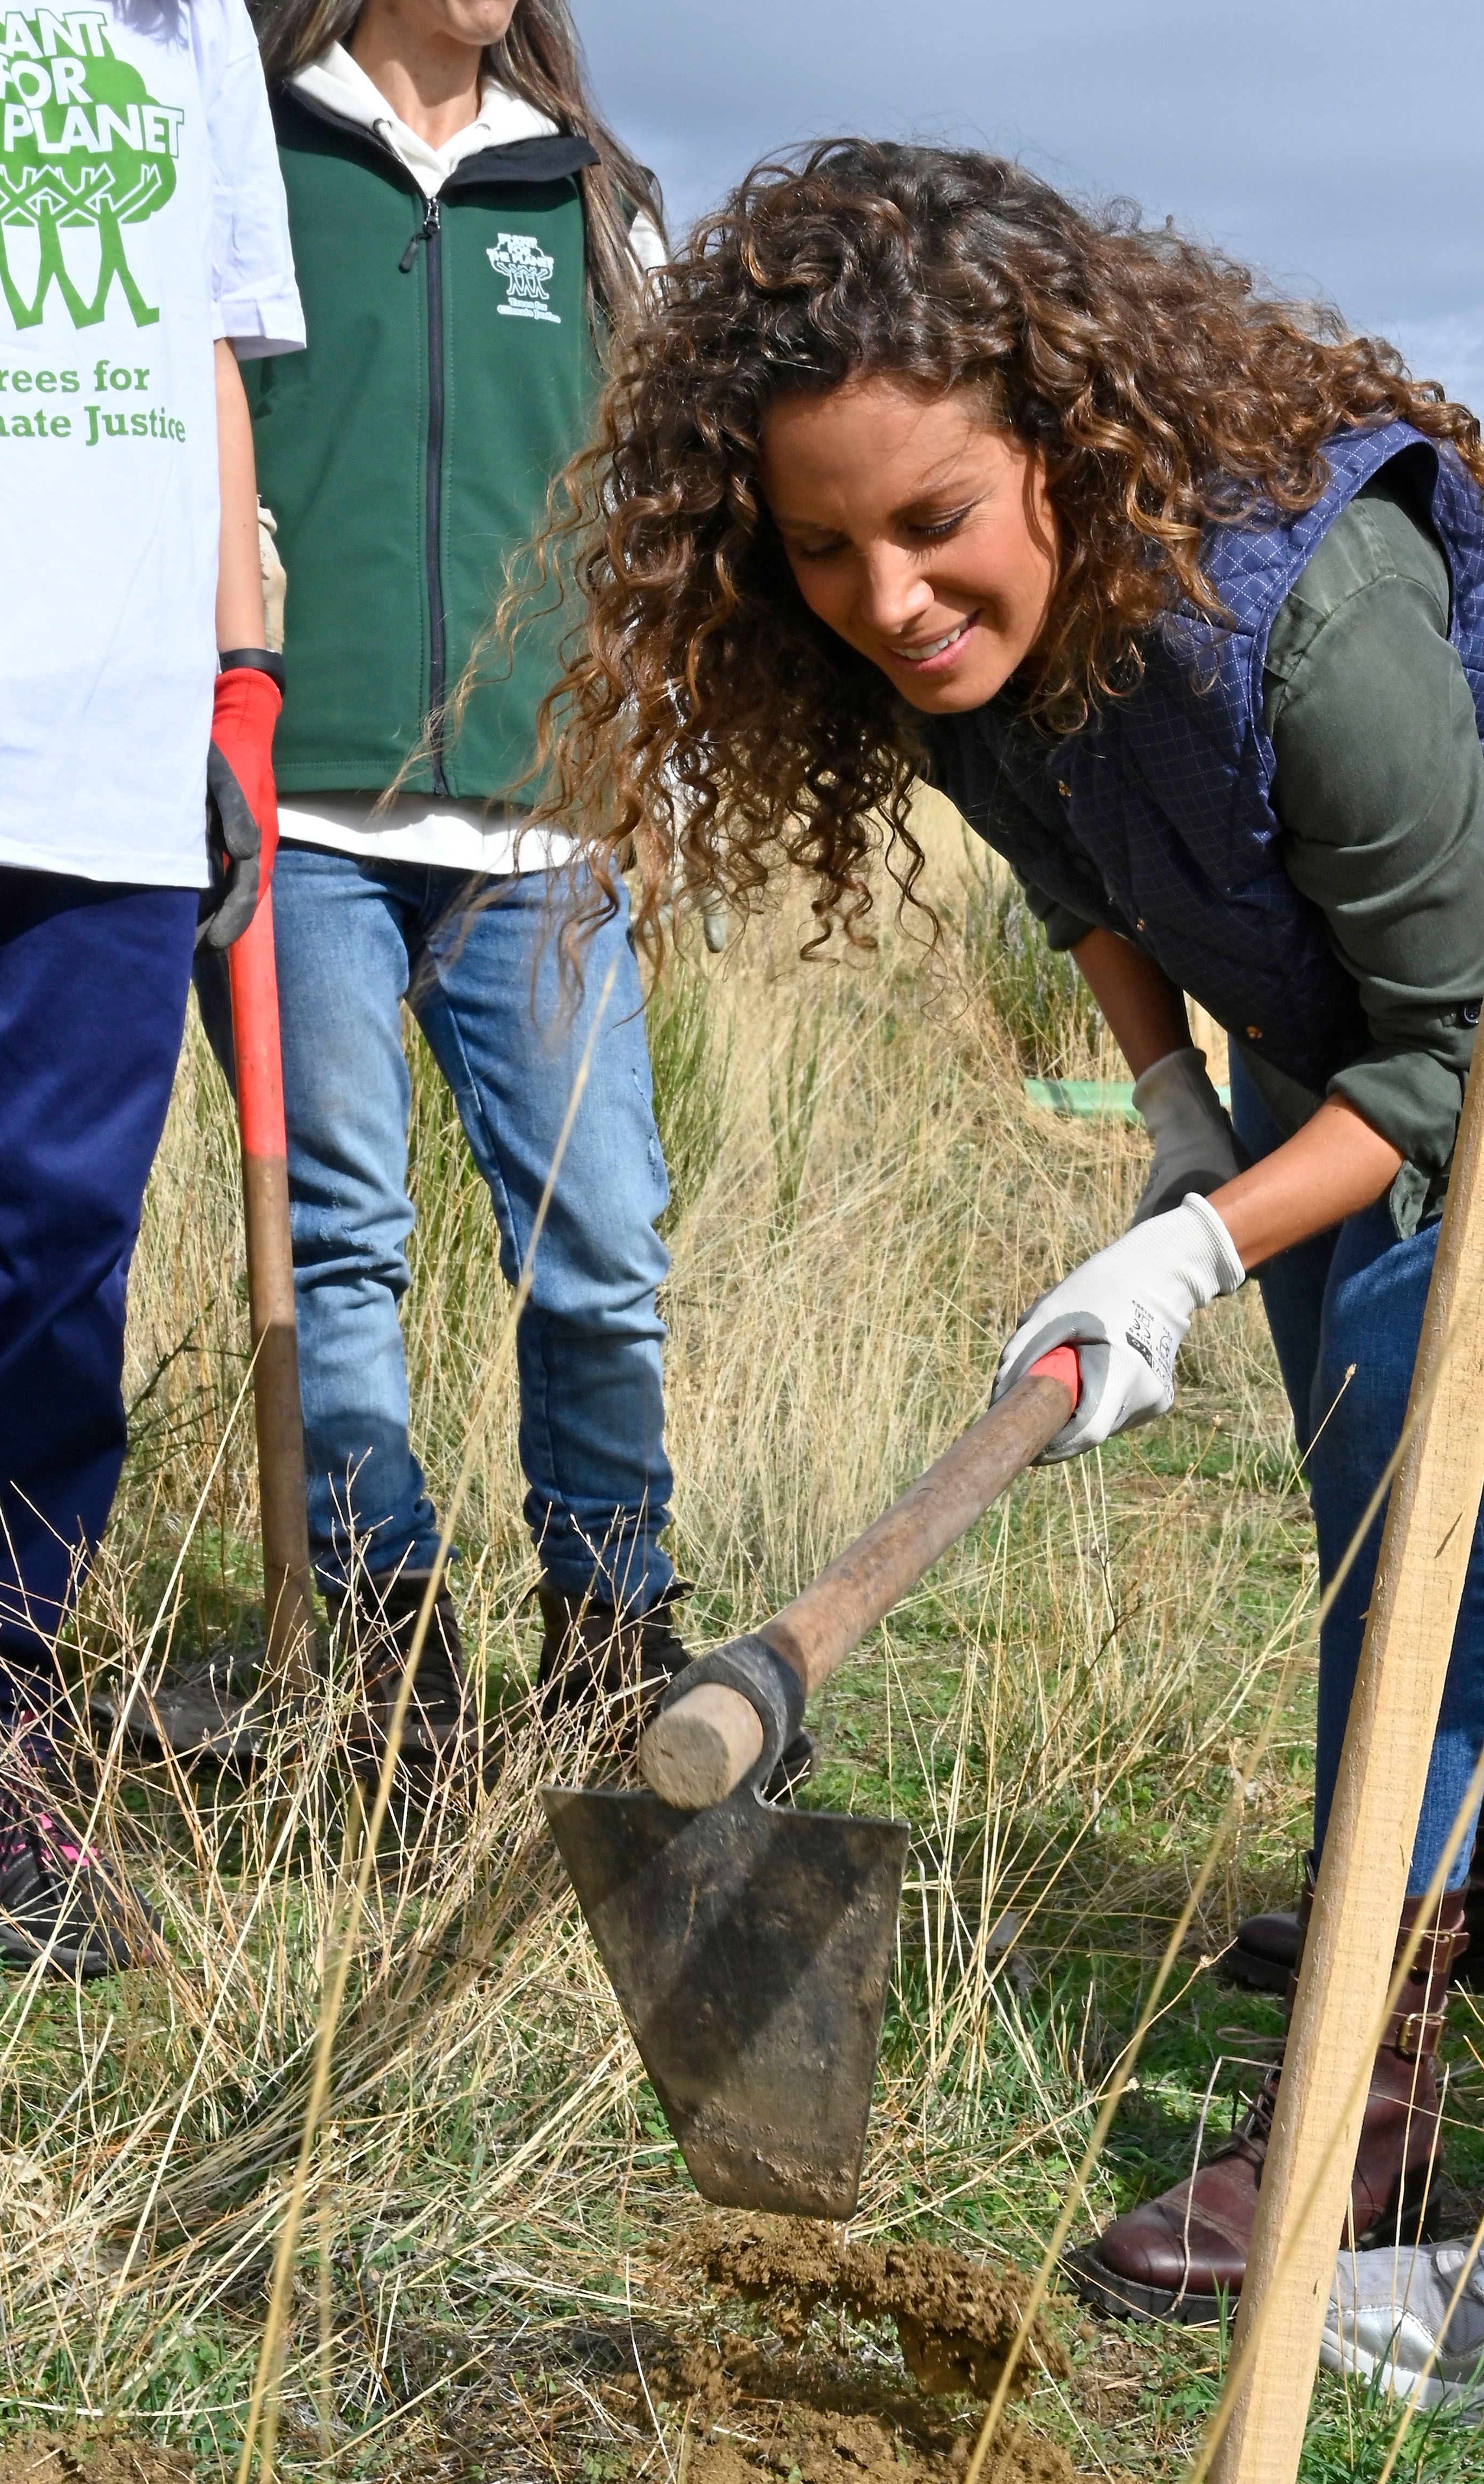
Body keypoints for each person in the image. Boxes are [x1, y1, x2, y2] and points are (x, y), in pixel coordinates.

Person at [526, 140, 1484, 2322]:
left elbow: (1444, 1047)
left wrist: (1187, 1246)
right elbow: (1073, 856)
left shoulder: (1299, 617)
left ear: (1062, 450)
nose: (882, 596)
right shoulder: (926, 635)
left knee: (1433, 1524)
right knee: (1356, 1486)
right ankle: (1415, 1899)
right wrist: (1163, 1106)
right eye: (822, 547)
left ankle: (1363, 2110)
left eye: (931, 523)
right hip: (1317, 1044)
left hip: (1453, 1043)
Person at [191, 0, 684, 1774]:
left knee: (602, 1246)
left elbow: (653, 498)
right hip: (299, 810)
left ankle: (615, 1633)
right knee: (335, 1248)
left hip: (542, 835)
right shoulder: (242, 150)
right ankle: (391, 1659)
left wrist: (635, 742)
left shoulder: (595, 199)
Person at [0, 0, 303, 1975]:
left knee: (58, 1247)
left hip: (112, 745)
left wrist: (235, 686)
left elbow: (211, 357)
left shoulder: (196, 33)